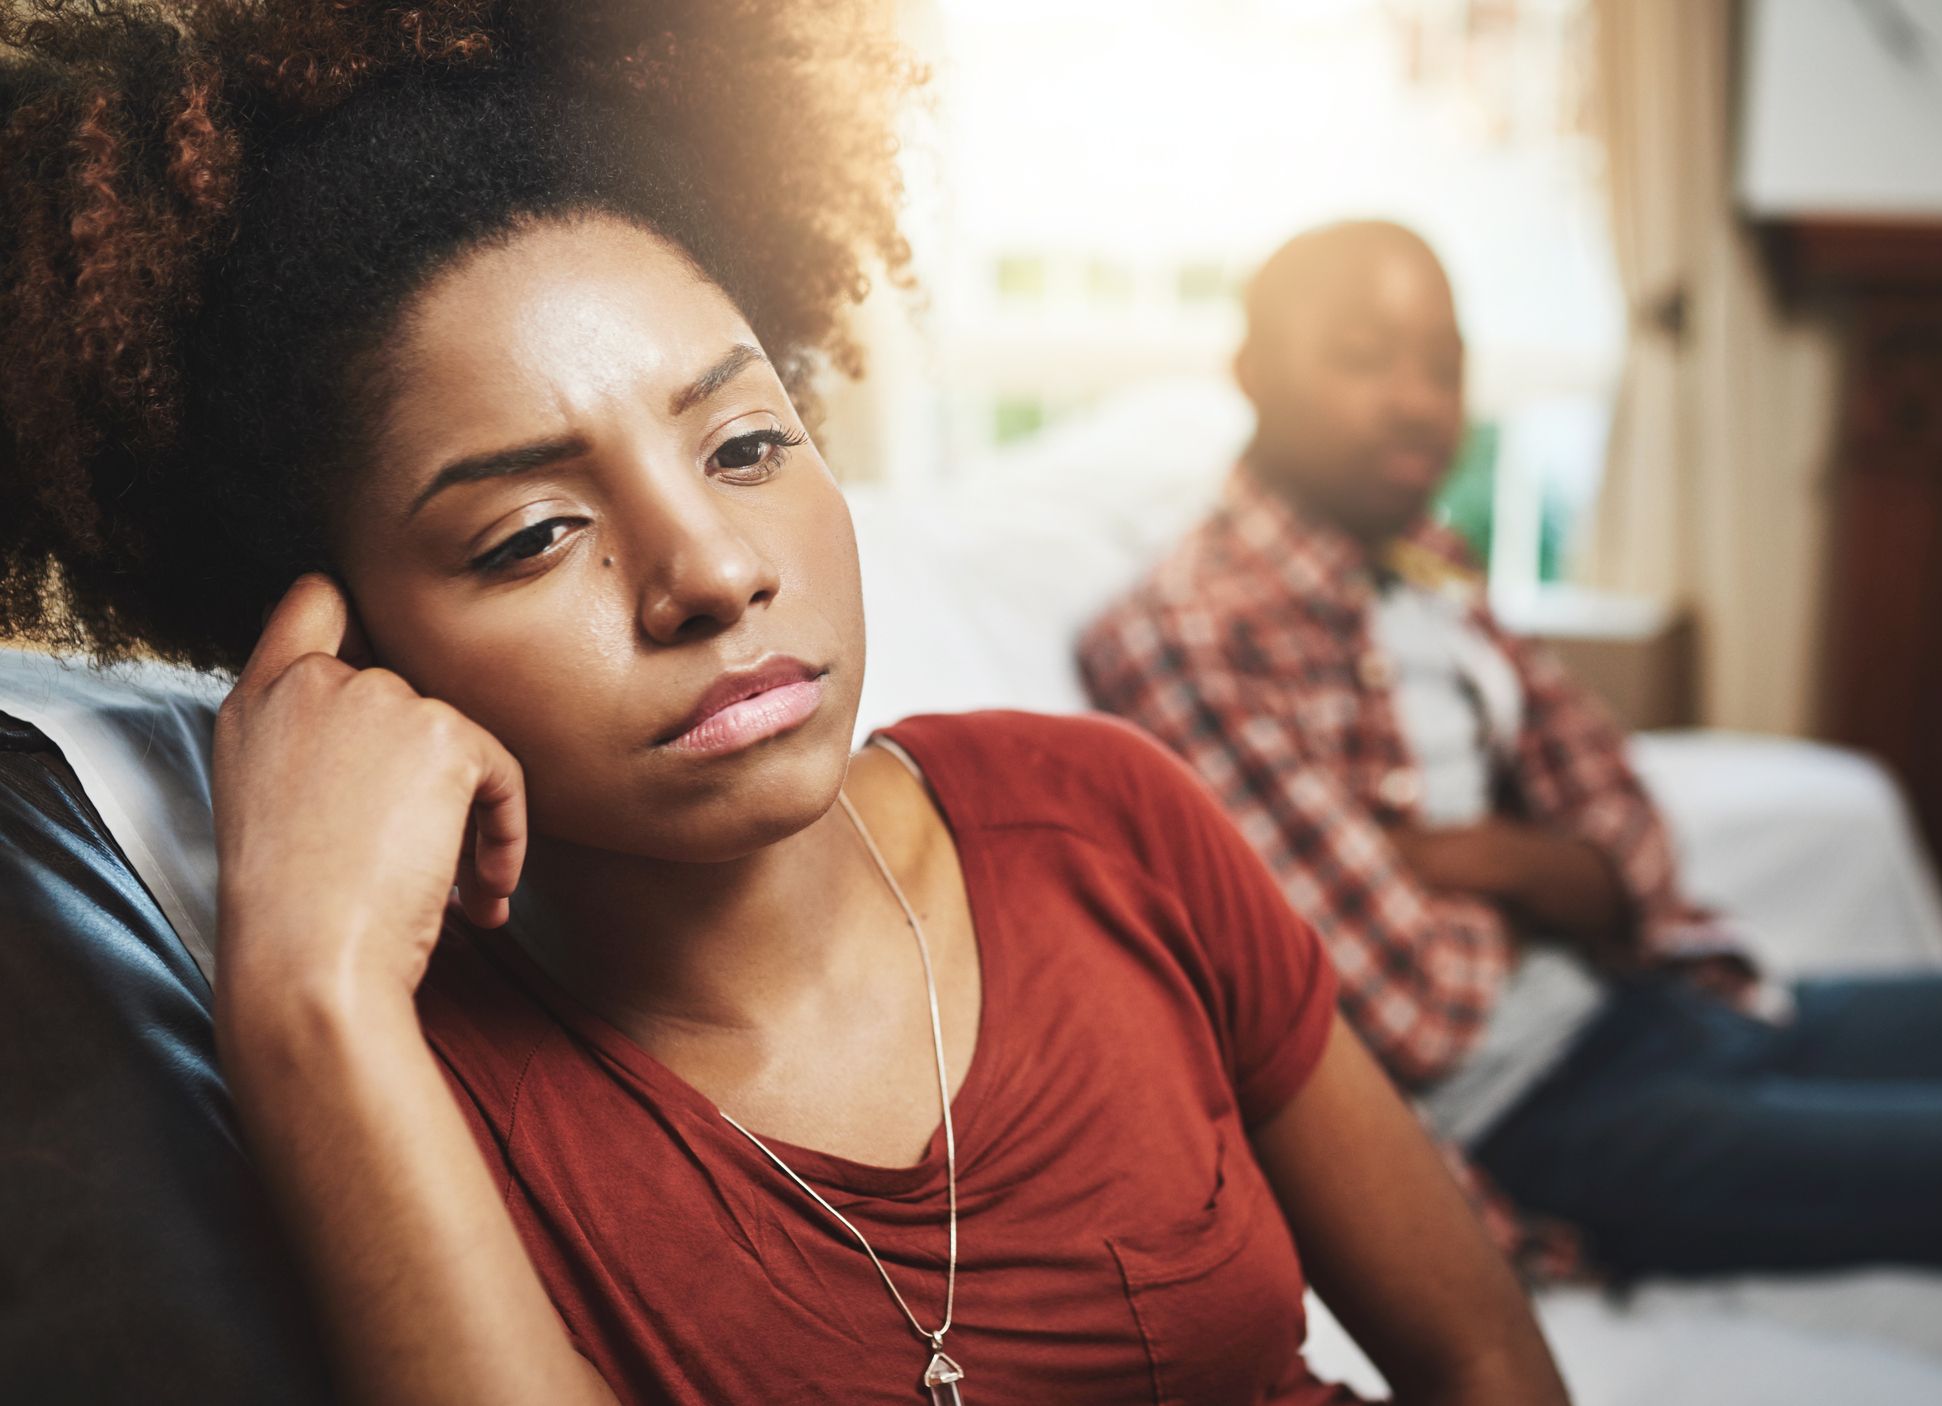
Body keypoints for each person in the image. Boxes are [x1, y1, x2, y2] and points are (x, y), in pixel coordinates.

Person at [0, 8, 1570, 1405]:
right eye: (532, 533)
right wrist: (313, 1000)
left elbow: (1482, 1355)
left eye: (747, 444)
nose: (710, 570)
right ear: (346, 648)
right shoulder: (417, 1094)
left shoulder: (1104, 816)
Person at [1078, 218, 1942, 1400]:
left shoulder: (1428, 562)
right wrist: (1564, 879)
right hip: (1555, 1118)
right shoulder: (1190, 632)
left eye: (1444, 361)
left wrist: (1501, 863)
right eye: (1365, 355)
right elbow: (1414, 1005)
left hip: (1677, 997)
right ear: (1253, 371)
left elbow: (1628, 820)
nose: (1419, 401)